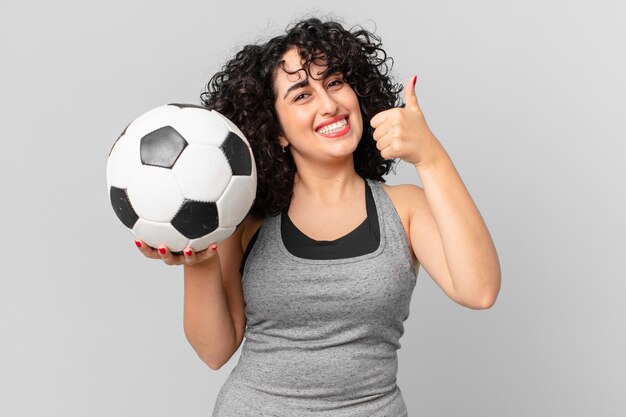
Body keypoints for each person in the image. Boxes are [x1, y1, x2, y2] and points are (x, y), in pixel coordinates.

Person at [135, 17, 500, 417]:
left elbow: (478, 291)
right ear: (276, 130)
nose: (329, 105)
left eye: (334, 82)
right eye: (301, 95)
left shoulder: (405, 209)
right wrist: (200, 259)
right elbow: (214, 351)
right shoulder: (245, 219)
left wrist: (430, 156)